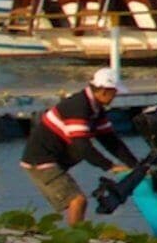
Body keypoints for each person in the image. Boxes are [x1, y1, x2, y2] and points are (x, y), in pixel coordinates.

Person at [20, 65, 144, 225]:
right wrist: (110, 166)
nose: (115, 96)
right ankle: (75, 239)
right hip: (41, 161)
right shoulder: (79, 107)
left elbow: (110, 140)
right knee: (77, 200)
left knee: (75, 199)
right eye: (114, 92)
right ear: (104, 90)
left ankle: (75, 233)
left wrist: (135, 165)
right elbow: (82, 147)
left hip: (55, 159)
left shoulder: (95, 108)